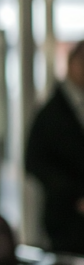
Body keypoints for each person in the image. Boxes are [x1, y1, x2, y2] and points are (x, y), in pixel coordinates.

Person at [27, 41, 84, 253]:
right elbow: (34, 161)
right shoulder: (51, 113)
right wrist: (74, 195)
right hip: (67, 221)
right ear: (71, 65)